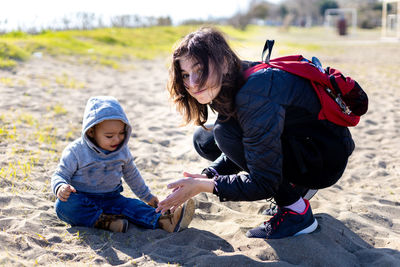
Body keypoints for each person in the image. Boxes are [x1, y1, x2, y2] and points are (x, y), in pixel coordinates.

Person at [156, 27, 355, 239]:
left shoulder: (254, 92)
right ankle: (296, 187)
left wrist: (202, 186)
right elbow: (252, 140)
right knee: (205, 139)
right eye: (186, 75)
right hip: (307, 142)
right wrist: (209, 174)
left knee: (224, 134)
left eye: (199, 70)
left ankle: (297, 211)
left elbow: (264, 182)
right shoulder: (231, 77)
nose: (192, 84)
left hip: (323, 160)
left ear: (223, 61)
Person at [51, 96, 195, 233]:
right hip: (83, 198)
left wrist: (147, 197)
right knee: (64, 206)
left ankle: (165, 221)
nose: (117, 139)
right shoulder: (76, 151)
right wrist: (60, 187)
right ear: (91, 131)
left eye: (121, 133)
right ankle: (103, 222)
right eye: (109, 136)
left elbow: (132, 176)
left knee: (133, 206)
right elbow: (60, 174)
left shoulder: (122, 151)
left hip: (112, 199)